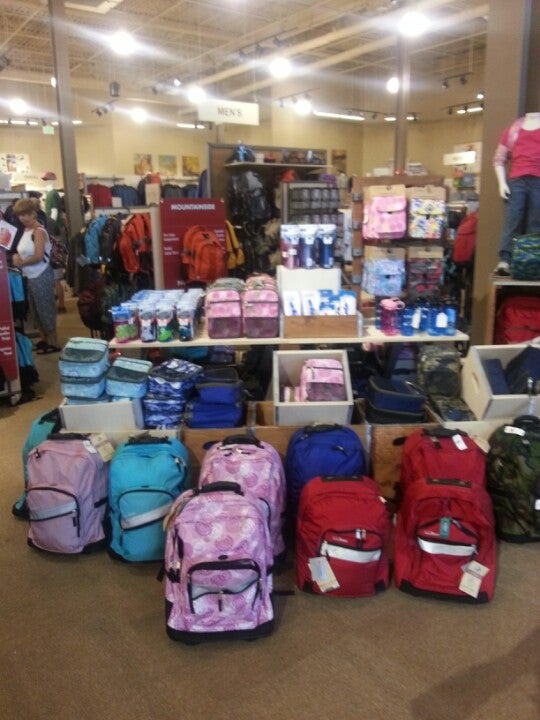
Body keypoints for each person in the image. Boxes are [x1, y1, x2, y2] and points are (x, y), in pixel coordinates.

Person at [492, 111, 540, 275]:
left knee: (535, 222)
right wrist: (502, 183)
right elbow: (499, 159)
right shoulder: (514, 129)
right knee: (512, 220)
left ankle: (533, 260)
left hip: (538, 181)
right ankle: (505, 260)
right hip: (516, 181)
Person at [10, 198, 60, 353]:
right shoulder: (25, 231)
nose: (23, 218)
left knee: (45, 308)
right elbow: (23, 251)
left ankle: (53, 342)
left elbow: (38, 256)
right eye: (20, 215)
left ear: (33, 213)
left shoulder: (39, 231)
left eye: (26, 214)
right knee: (36, 310)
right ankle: (44, 339)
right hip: (30, 275)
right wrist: (16, 257)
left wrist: (21, 262)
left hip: (41, 274)